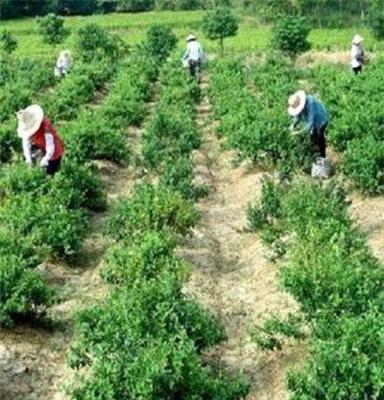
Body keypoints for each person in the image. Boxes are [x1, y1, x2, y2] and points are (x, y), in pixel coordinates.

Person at [17, 104, 64, 175]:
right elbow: (25, 143)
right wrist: (28, 159)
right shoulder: (28, 130)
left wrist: (45, 160)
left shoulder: (45, 127)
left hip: (53, 150)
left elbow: (50, 146)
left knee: (50, 171)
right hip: (41, 145)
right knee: (33, 153)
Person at [288, 90, 329, 159]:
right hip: (312, 121)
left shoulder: (311, 102)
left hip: (321, 119)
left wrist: (300, 132)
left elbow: (311, 122)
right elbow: (298, 117)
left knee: (320, 137)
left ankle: (323, 156)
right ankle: (315, 155)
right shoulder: (300, 104)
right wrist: (293, 125)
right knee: (313, 138)